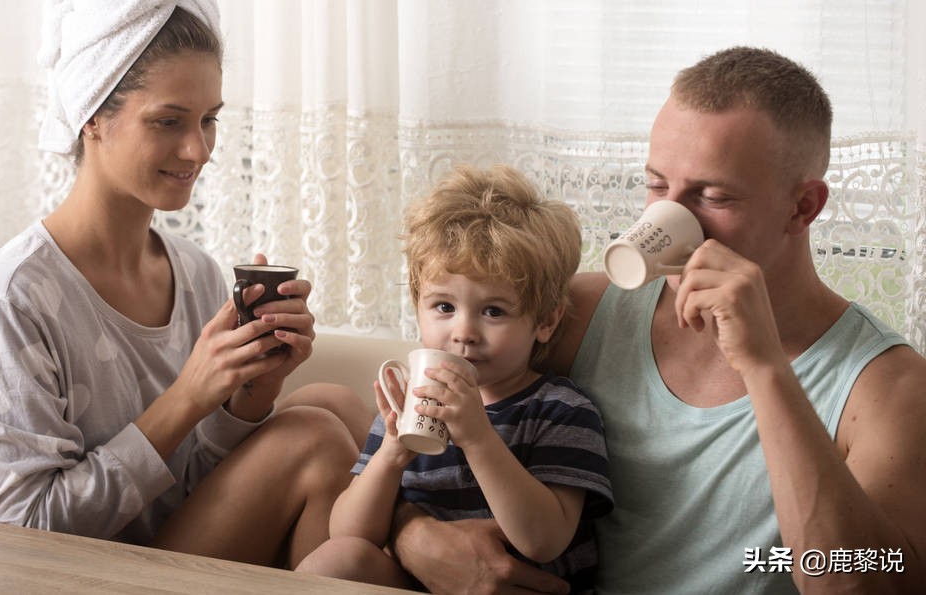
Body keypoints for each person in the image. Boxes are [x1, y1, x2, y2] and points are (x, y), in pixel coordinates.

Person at [387, 47, 926, 594]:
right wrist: (416, 539)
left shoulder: (884, 386)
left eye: (712, 195)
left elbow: (869, 581)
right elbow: (416, 445)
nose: (669, 217)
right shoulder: (581, 314)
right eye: (657, 186)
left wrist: (764, 368)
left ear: (803, 207)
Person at [0, 0, 366, 568]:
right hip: (57, 573)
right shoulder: (8, 304)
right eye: (168, 121)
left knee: (334, 404)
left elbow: (192, 475)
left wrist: (248, 393)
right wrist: (189, 396)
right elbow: (23, 534)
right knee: (312, 436)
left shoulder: (192, 273)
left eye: (209, 119)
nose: (198, 150)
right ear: (92, 115)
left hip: (161, 551)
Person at [296, 165, 613, 592]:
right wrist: (391, 453)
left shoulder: (560, 410)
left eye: (494, 311)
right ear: (417, 304)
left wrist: (478, 437)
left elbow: (544, 540)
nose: (463, 331)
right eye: (444, 307)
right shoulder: (411, 403)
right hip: (424, 582)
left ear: (546, 321)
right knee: (337, 559)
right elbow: (350, 533)